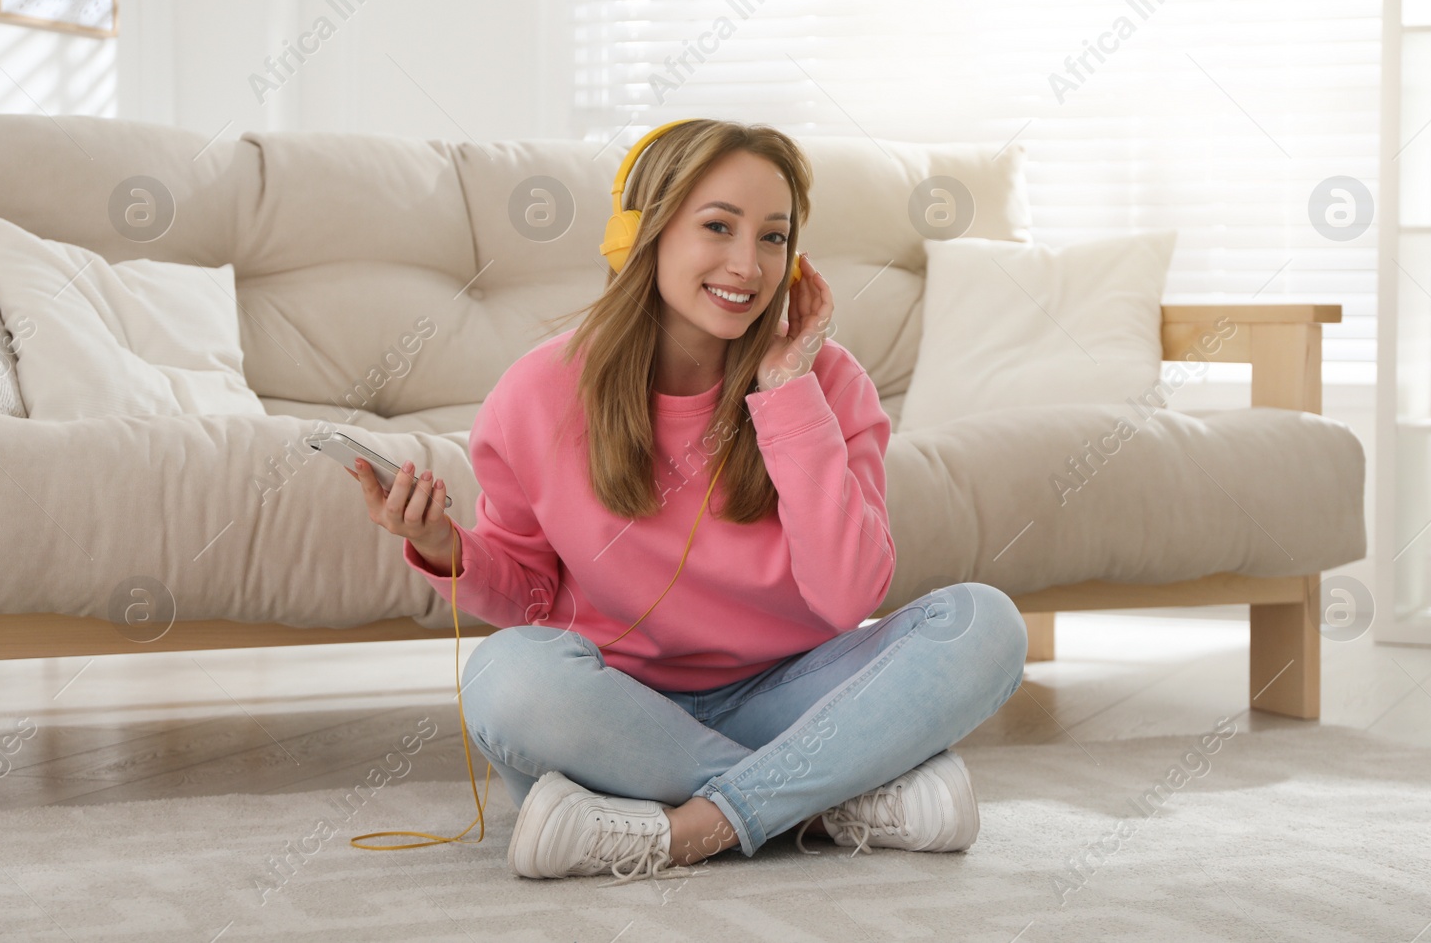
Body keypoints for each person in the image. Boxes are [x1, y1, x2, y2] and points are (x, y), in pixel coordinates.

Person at [353, 119, 1029, 887]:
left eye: (774, 237)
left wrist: (785, 394)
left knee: (985, 624)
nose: (748, 264)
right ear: (639, 236)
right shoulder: (537, 395)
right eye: (718, 226)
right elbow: (531, 593)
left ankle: (681, 830)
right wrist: (446, 550)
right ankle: (828, 802)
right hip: (620, 714)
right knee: (504, 677)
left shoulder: (828, 386)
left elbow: (847, 598)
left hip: (794, 697)